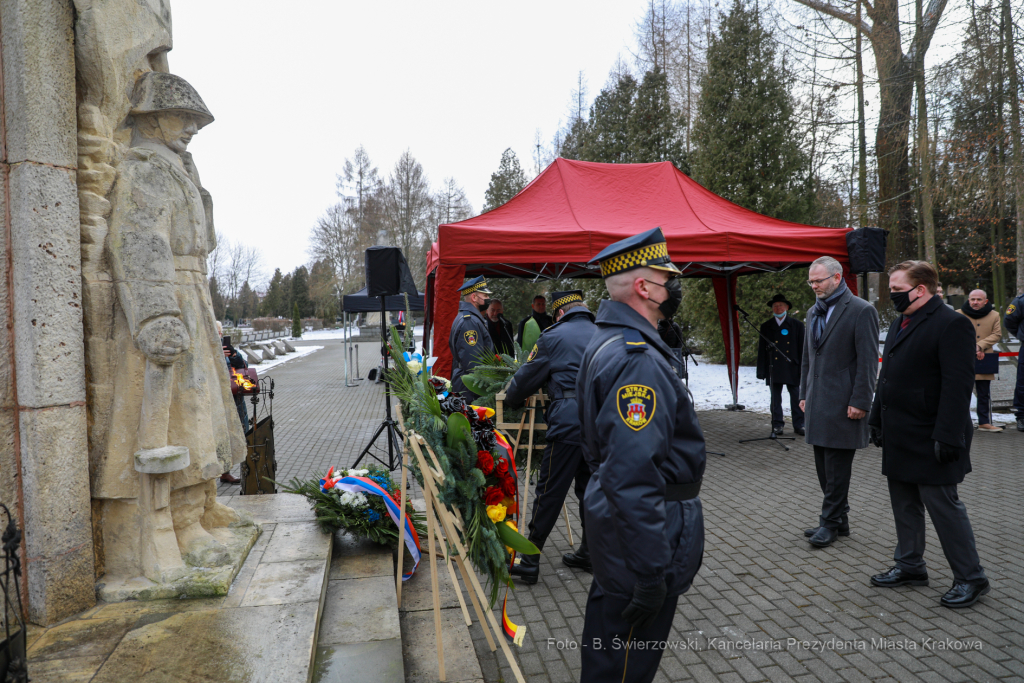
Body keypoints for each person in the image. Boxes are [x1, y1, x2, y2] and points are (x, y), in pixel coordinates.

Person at [576, 228, 705, 683]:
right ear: (644, 288)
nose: (675, 286)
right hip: (643, 539)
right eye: (666, 277)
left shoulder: (613, 340)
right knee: (624, 666)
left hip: (622, 532)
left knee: (609, 654)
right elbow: (632, 475)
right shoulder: (637, 359)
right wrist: (652, 572)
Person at [868, 260, 990, 608]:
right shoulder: (900, 322)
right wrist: (877, 418)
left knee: (944, 507)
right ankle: (910, 565)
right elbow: (887, 376)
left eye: (896, 290)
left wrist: (949, 436)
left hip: (933, 435)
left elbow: (958, 384)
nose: (891, 296)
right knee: (904, 503)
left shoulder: (952, 324)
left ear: (920, 289)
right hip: (900, 432)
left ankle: (971, 577)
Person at [505, 290, 598, 584]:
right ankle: (590, 553)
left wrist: (512, 398)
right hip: (601, 424)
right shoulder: (605, 332)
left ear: (559, 313)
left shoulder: (552, 337)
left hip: (568, 423)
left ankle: (530, 561)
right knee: (591, 490)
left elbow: (525, 379)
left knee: (549, 492)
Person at [799, 256, 879, 548]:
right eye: (811, 281)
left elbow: (869, 362)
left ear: (836, 277)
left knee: (836, 469)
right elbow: (809, 357)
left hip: (845, 404)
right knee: (823, 467)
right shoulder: (813, 312)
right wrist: (804, 394)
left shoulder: (861, 311)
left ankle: (829, 523)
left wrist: (861, 401)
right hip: (818, 402)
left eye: (818, 280)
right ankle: (840, 519)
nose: (814, 286)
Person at [756, 294, 805, 436]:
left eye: (781, 305)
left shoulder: (797, 325)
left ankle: (799, 424)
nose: (778, 308)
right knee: (775, 398)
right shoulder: (766, 326)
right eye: (775, 306)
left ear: (787, 307)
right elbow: (761, 350)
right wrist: (761, 370)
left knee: (796, 396)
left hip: (792, 367)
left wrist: (803, 368)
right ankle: (777, 425)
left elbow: (803, 349)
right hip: (774, 367)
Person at [958, 290, 1003, 432]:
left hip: (984, 358)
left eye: (978, 299)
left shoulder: (994, 315)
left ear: (986, 301)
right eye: (972, 299)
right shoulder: (958, 313)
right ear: (969, 300)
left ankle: (984, 422)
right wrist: (972, 347)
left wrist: (980, 346)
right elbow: (955, 333)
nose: (975, 302)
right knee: (960, 392)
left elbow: (997, 334)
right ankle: (960, 423)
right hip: (963, 358)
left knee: (984, 393)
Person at [449, 276, 495, 401]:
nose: (488, 299)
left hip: (469, 385)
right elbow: (473, 363)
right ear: (474, 298)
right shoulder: (469, 322)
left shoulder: (472, 318)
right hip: (470, 388)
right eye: (485, 296)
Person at [1002, 291, 1024, 431]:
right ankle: (1022, 417)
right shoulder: (1021, 301)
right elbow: (1009, 321)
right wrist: (1021, 335)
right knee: (1023, 384)